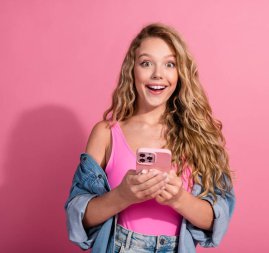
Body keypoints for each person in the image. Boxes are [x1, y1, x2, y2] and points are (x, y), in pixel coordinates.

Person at [65, 23, 235, 253]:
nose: (158, 74)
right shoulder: (106, 133)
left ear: (180, 73)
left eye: (170, 64)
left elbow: (216, 221)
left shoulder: (200, 135)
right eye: (146, 63)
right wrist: (122, 196)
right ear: (132, 70)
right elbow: (78, 218)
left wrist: (179, 199)